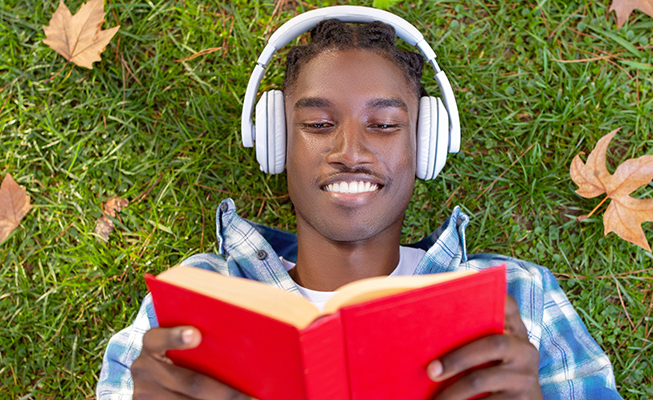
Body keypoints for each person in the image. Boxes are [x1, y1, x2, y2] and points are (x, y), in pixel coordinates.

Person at [97, 10, 622, 400]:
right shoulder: (200, 297)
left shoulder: (518, 297)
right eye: (319, 125)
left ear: (427, 145)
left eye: (386, 125)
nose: (349, 151)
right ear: (276, 142)